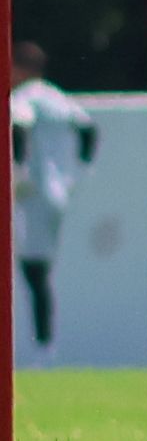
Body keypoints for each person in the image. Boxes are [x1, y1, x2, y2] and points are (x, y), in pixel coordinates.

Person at [9, 40, 86, 349]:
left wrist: (18, 170)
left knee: (33, 268)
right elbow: (87, 130)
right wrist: (79, 173)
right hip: (57, 189)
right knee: (39, 266)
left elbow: (20, 125)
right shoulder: (57, 97)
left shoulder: (24, 97)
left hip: (31, 191)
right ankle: (43, 341)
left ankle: (41, 343)